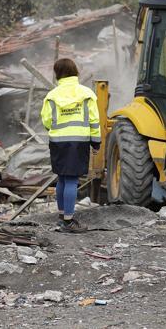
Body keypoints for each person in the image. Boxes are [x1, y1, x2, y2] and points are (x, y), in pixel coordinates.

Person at [40, 59, 101, 233]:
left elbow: (46, 121)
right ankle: (69, 221)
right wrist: (96, 142)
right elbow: (94, 120)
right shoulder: (86, 93)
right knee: (72, 180)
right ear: (76, 72)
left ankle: (62, 217)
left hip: (58, 142)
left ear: (57, 73)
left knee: (62, 178)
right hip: (78, 142)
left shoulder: (52, 96)